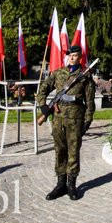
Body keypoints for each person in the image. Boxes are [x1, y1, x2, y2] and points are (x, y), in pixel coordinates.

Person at [37, 45, 95, 200]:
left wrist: (88, 120)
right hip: (58, 119)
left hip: (75, 119)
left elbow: (90, 101)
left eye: (75, 55)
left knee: (73, 151)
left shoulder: (85, 77)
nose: (72, 57)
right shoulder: (58, 73)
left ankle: (71, 185)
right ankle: (60, 184)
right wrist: (43, 105)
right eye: (70, 55)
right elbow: (42, 89)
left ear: (80, 58)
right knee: (59, 150)